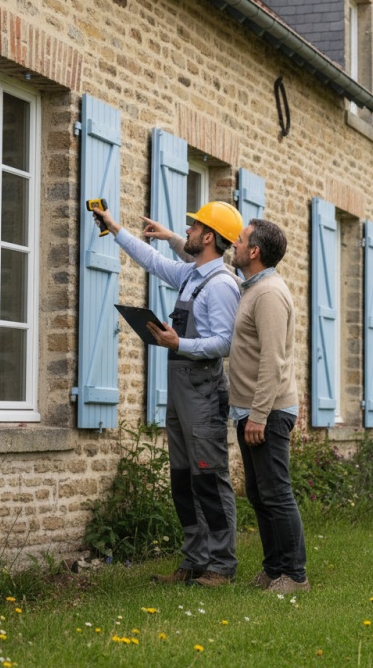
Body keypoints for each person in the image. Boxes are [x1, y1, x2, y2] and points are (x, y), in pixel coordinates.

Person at [94, 200, 243, 588]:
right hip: (180, 389)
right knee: (183, 477)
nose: (187, 231)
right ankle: (194, 560)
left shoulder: (223, 285)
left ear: (209, 237)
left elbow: (226, 343)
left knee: (210, 477)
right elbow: (153, 261)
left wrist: (180, 344)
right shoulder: (192, 275)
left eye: (193, 227)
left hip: (204, 390)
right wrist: (115, 228)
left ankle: (221, 565)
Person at [229, 219, 309, 593]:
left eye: (241, 240)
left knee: (276, 492)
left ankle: (294, 575)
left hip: (269, 412)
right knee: (260, 494)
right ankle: (274, 568)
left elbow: (273, 361)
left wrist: (259, 416)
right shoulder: (254, 289)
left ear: (255, 251)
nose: (234, 243)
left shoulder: (270, 294)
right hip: (252, 411)